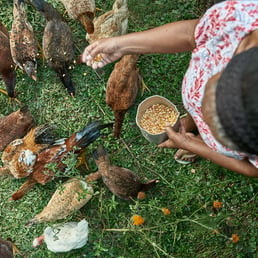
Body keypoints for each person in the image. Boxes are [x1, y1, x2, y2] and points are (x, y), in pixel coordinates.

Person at [81, 0, 258, 178]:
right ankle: (191, 123)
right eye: (207, 98)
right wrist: (121, 45)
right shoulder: (239, 20)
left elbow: (254, 169)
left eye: (225, 143)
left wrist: (195, 145)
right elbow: (191, 33)